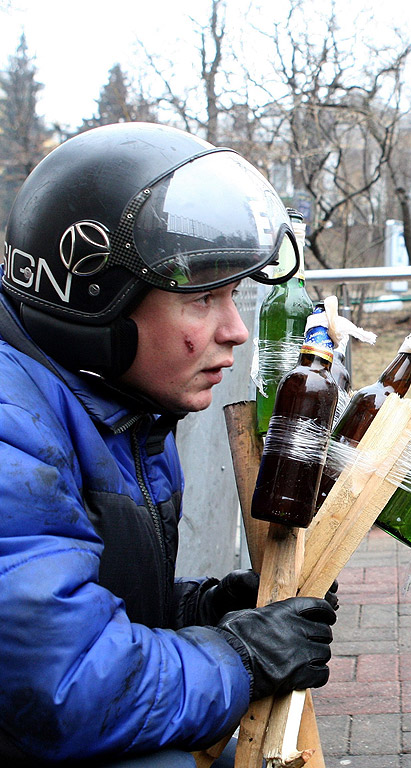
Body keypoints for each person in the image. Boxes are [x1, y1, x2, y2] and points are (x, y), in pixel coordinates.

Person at [0, 122, 338, 766]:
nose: (236, 330)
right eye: (204, 298)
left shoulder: (113, 400)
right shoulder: (11, 428)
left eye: (233, 295)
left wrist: (206, 609)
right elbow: (59, 689)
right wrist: (240, 657)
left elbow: (75, 606)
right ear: (95, 300)